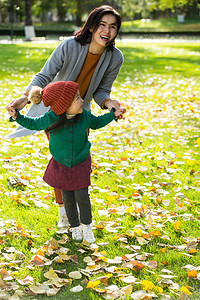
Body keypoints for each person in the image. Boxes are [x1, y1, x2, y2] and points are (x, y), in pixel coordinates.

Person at [6, 5, 125, 229]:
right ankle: (64, 212)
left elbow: (102, 90)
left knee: (78, 160)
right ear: (91, 26)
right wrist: (24, 98)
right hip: (57, 112)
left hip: (82, 112)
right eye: (102, 25)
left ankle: (75, 212)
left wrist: (110, 104)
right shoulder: (69, 46)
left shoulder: (115, 57)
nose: (107, 31)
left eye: (112, 27)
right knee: (61, 162)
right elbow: (44, 75)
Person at [8, 81, 125, 244]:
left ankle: (87, 226)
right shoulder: (51, 118)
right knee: (68, 198)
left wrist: (112, 114)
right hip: (61, 164)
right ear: (64, 105)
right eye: (77, 97)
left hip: (80, 162)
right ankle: (75, 227)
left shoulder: (83, 116)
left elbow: (97, 123)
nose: (82, 100)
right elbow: (32, 123)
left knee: (82, 196)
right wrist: (17, 116)